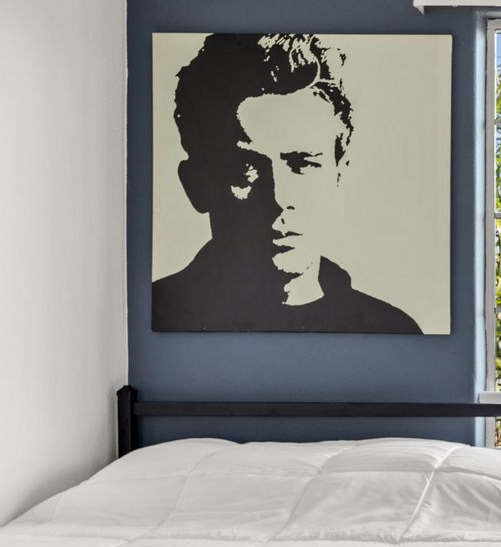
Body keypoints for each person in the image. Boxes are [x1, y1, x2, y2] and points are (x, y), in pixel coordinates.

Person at [152, 34, 421, 333]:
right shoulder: (159, 316)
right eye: (246, 169)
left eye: (303, 164)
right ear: (196, 185)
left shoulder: (392, 331)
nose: (280, 198)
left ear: (338, 175)